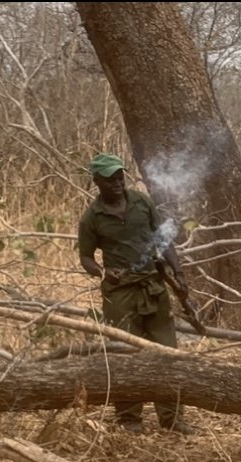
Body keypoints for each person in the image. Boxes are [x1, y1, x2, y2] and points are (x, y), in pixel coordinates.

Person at [78, 153, 193, 435]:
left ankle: (172, 417)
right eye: (110, 179)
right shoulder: (91, 218)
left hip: (153, 286)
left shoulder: (142, 202)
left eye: (120, 176)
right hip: (119, 294)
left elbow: (164, 241)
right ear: (97, 182)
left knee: (166, 351)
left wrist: (178, 276)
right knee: (125, 354)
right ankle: (129, 418)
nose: (117, 183)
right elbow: (86, 258)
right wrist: (104, 273)